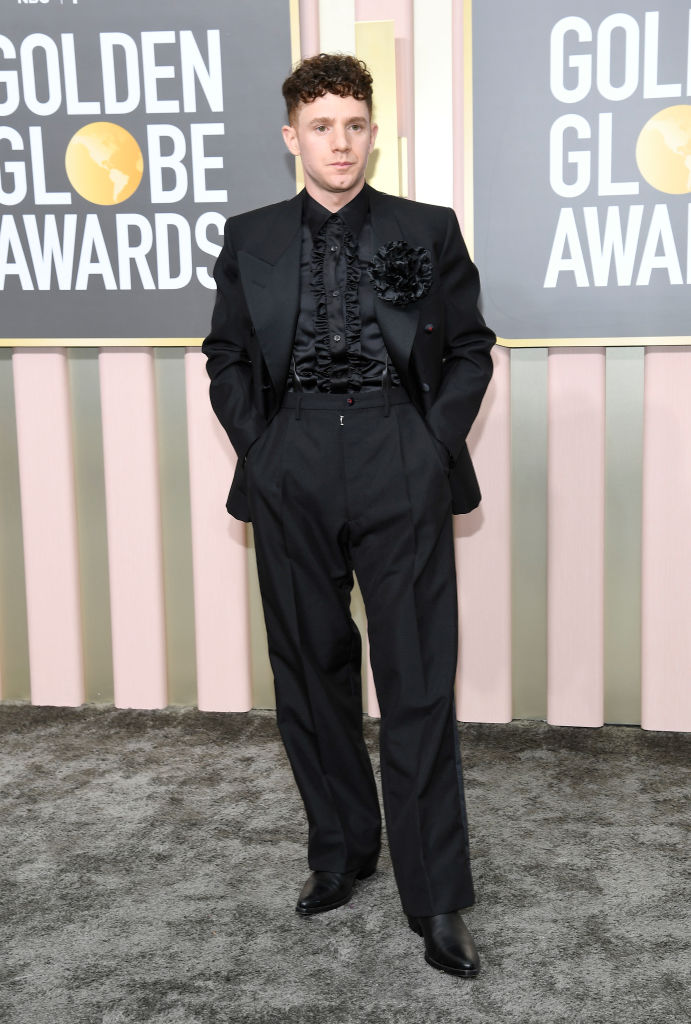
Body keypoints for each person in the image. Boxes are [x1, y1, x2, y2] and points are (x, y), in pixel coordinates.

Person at [202, 53, 495, 978]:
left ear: (375, 131)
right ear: (293, 137)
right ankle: (341, 850)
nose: (341, 141)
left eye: (355, 123)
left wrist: (429, 444)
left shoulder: (426, 227)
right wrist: (262, 446)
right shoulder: (248, 236)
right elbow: (226, 356)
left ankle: (437, 896)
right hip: (289, 462)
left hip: (394, 456)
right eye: (321, 125)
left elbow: (472, 348)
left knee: (416, 680)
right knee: (311, 671)